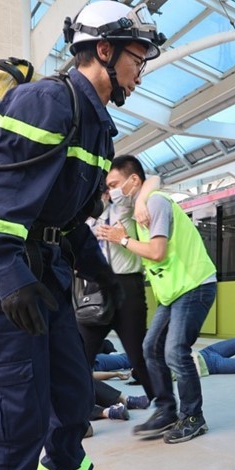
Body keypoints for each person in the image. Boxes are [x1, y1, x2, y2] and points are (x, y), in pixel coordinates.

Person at [0, 0, 164, 470]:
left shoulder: (96, 124)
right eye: (136, 57)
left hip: (45, 268)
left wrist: (101, 274)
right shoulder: (47, 100)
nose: (140, 70)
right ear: (104, 50)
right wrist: (8, 274)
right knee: (14, 406)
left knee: (71, 393)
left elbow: (67, 216)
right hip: (4, 271)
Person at [100, 184, 217, 444]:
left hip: (194, 285)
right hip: (173, 293)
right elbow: (150, 178)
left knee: (175, 351)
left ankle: (193, 416)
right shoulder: (136, 209)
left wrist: (122, 238)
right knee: (151, 348)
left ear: (132, 181)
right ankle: (166, 410)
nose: (112, 190)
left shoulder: (154, 203)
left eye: (114, 184)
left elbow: (157, 251)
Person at [79, 155, 155, 401]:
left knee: (139, 356)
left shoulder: (124, 207)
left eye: (110, 186)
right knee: (80, 356)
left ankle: (164, 406)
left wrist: (142, 201)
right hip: (94, 289)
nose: (107, 191)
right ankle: (79, 415)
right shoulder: (85, 219)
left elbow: (154, 180)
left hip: (127, 287)